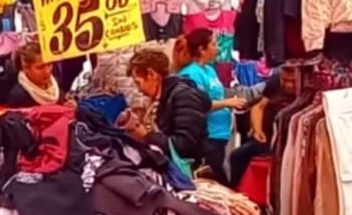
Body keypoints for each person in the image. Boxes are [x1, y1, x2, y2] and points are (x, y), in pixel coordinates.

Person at [175, 29, 246, 182]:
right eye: (214, 44)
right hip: (208, 137)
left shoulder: (209, 70)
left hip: (220, 135)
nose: (218, 48)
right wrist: (228, 103)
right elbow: (198, 105)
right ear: (202, 50)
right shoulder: (191, 74)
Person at [126, 49, 211, 164]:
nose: (139, 90)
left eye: (138, 83)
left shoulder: (184, 97)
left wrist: (146, 135)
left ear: (152, 75)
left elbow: (186, 146)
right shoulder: (163, 98)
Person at [228, 67, 297, 187]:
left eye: (292, 81)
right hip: (267, 138)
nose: (288, 85)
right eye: (285, 80)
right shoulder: (275, 82)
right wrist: (257, 130)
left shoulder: (306, 91)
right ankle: (238, 192)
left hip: (290, 142)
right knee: (237, 156)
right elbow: (259, 107)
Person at [7, 41, 66, 108]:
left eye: (49, 64)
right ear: (25, 68)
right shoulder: (18, 96)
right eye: (40, 67)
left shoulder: (58, 84)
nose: (47, 71)